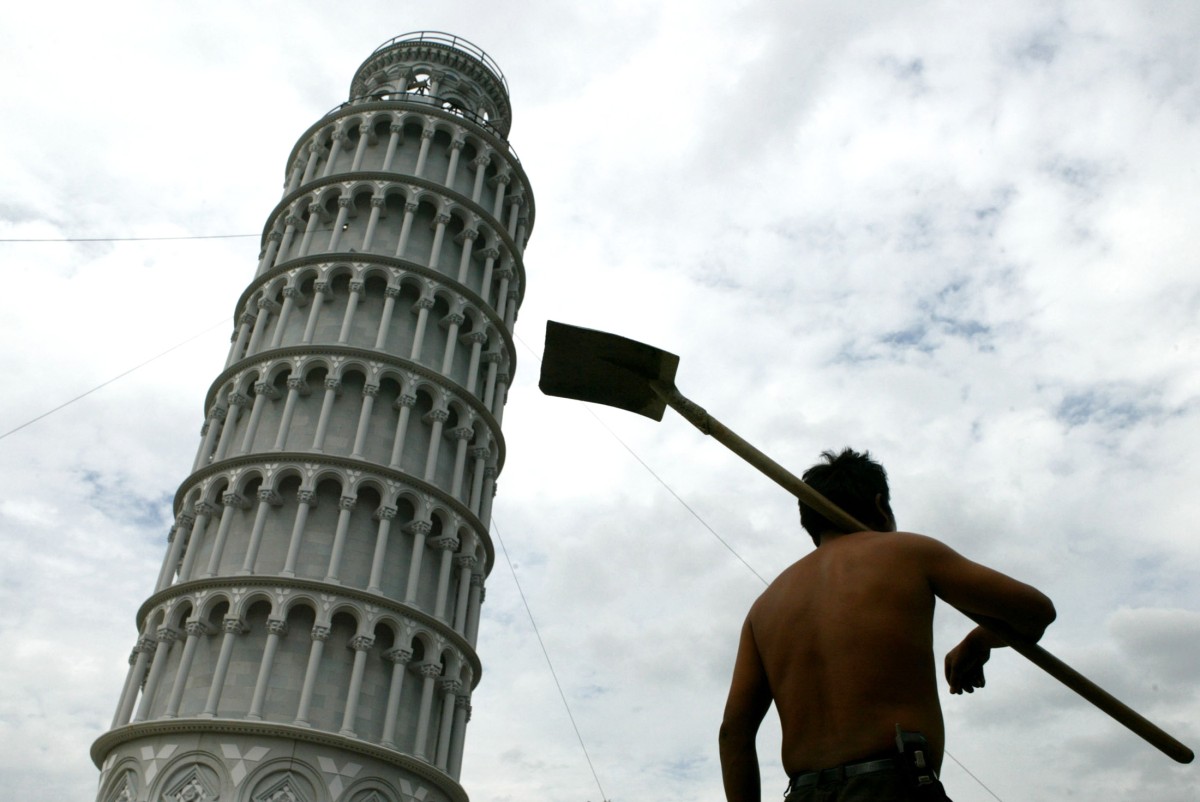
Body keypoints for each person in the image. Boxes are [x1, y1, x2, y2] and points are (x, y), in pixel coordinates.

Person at [718, 448, 1056, 801]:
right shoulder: (906, 553)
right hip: (895, 787)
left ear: (809, 520)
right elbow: (1035, 612)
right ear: (881, 506)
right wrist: (979, 641)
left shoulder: (764, 607)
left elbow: (734, 734)